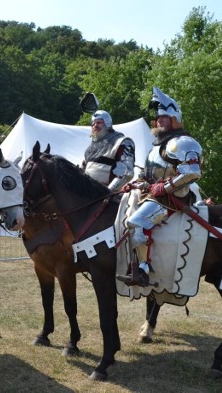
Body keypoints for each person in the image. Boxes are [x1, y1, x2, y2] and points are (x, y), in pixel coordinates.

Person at [117, 87, 202, 287]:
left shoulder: (182, 143)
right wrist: (137, 183)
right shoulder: (157, 147)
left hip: (172, 199)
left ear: (174, 120)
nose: (158, 121)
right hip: (152, 196)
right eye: (157, 118)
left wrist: (164, 188)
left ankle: (143, 271)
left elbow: (192, 172)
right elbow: (149, 176)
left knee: (135, 222)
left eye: (164, 118)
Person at [82, 109, 135, 191]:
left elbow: (126, 172)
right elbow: (84, 170)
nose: (95, 126)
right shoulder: (91, 148)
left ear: (107, 123)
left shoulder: (121, 142)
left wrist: (107, 193)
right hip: (88, 194)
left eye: (99, 122)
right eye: (93, 124)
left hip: (112, 196)